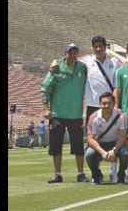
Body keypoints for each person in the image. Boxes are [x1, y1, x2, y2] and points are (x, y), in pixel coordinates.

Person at [40, 43, 89, 183]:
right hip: (58, 114)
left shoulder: (83, 68)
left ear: (78, 54)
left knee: (78, 145)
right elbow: (46, 87)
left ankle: (81, 173)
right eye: (70, 53)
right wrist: (46, 108)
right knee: (56, 145)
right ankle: (57, 174)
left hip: (76, 114)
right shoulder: (56, 68)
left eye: (75, 53)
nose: (72, 56)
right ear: (65, 54)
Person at [49, 35, 123, 121]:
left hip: (110, 104)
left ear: (105, 47)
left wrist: (116, 105)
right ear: (93, 48)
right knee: (91, 129)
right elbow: (71, 58)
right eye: (96, 46)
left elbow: (126, 66)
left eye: (100, 46)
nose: (98, 49)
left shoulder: (114, 62)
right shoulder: (87, 60)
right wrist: (56, 61)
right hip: (93, 105)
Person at [85, 92, 128, 184]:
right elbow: (90, 139)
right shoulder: (93, 117)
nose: (106, 105)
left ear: (114, 103)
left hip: (117, 143)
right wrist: (102, 152)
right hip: (100, 144)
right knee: (89, 154)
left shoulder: (122, 116)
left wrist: (114, 150)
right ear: (100, 104)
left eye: (109, 103)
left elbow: (123, 136)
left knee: (125, 153)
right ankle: (96, 174)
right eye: (104, 103)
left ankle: (121, 174)